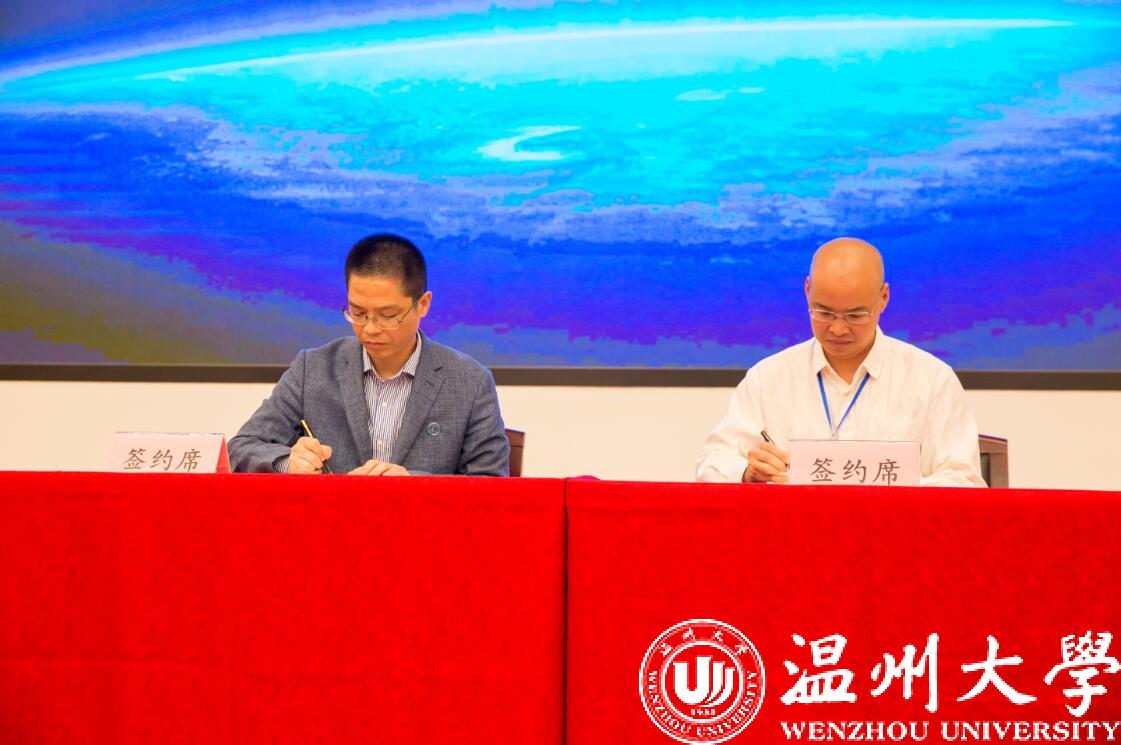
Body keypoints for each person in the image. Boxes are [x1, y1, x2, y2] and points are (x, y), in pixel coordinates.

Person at [696, 237, 984, 487]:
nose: (838, 329)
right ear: (807, 290)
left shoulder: (931, 380)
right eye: (823, 312)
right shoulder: (769, 378)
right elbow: (711, 464)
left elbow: (963, 481)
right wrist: (746, 472)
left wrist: (895, 489)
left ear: (883, 299)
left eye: (855, 316)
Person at [229, 233, 509, 476]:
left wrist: (414, 484)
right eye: (358, 313)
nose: (370, 329)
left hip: (423, 522)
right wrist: (287, 462)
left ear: (423, 304)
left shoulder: (470, 382)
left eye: (387, 315)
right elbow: (241, 448)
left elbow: (491, 484)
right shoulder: (312, 369)